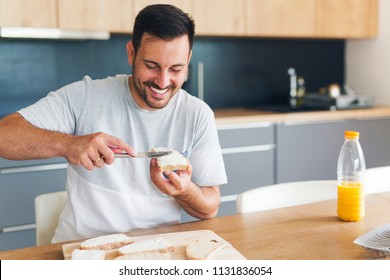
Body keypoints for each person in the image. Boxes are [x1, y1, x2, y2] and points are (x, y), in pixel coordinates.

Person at [0, 4, 227, 242]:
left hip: (154, 253)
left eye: (176, 69)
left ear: (188, 59)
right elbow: (5, 136)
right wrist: (68, 145)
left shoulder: (197, 114)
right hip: (82, 250)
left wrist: (184, 190)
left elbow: (209, 208)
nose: (162, 81)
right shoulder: (86, 96)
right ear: (131, 53)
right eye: (151, 66)